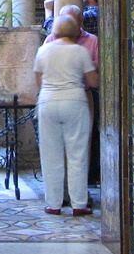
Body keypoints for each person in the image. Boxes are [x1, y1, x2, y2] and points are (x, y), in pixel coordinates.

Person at [34, 15, 98, 217]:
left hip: (48, 102)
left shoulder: (43, 50)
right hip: (75, 102)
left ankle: (53, 204)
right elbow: (93, 81)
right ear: (77, 31)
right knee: (78, 154)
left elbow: (38, 81)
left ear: (55, 30)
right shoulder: (81, 51)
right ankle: (79, 204)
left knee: (50, 154)